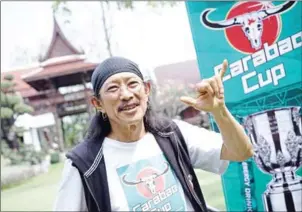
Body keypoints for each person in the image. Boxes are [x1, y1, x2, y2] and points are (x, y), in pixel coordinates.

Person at [53, 57, 253, 212]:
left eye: (132, 84)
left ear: (146, 90)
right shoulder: (84, 164)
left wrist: (219, 110)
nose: (126, 95)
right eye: (113, 88)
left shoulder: (171, 134)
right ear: (98, 104)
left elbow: (241, 152)